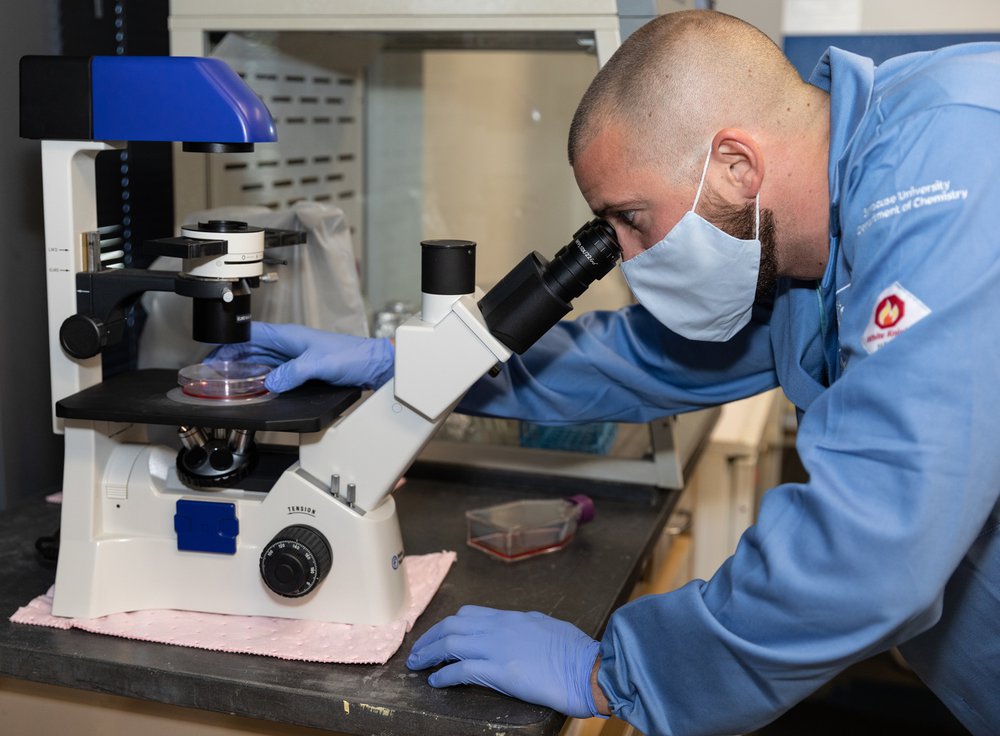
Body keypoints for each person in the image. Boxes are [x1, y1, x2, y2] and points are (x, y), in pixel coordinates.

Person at [212, 10, 1000, 735]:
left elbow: (873, 542)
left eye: (630, 218)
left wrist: (616, 670)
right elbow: (640, 357)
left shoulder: (952, 167)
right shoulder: (809, 247)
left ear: (734, 163)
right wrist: (410, 365)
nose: (621, 252)